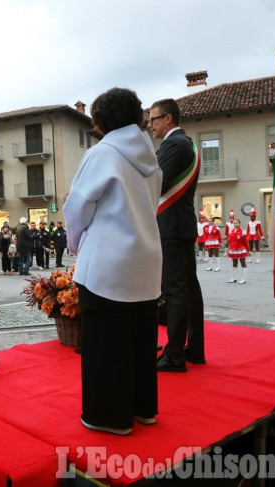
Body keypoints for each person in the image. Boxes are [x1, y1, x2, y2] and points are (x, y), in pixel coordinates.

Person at [65, 87, 162, 435]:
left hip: (107, 261)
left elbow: (77, 207)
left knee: (106, 344)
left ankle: (109, 417)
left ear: (101, 119)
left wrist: (77, 245)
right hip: (146, 258)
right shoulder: (150, 157)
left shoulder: (102, 153)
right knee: (140, 339)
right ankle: (143, 408)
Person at [149, 97, 205, 373]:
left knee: (175, 289)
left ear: (168, 118)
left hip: (170, 226)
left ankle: (173, 355)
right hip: (181, 224)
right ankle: (194, 348)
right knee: (189, 288)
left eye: (153, 120)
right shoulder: (189, 143)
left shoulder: (172, 144)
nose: (150, 126)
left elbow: (157, 183)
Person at [227, 218, 251, 284]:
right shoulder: (231, 231)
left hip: (241, 249)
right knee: (234, 263)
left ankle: (243, 278)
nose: (235, 224)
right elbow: (230, 241)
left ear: (239, 223)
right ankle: (234, 277)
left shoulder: (243, 231)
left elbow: (246, 242)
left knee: (242, 262)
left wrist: (248, 251)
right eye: (234, 223)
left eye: (236, 223)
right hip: (233, 249)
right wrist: (229, 248)